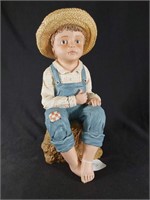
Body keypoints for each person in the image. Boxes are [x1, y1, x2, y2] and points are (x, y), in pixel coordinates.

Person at [36, 7, 106, 184]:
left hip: (81, 108)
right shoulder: (50, 73)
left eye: (77, 41)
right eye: (64, 41)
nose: (72, 45)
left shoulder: (84, 70)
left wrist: (92, 96)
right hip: (60, 109)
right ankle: (74, 164)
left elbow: (88, 91)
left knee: (98, 114)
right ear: (53, 46)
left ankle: (88, 160)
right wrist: (72, 100)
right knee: (55, 119)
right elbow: (46, 101)